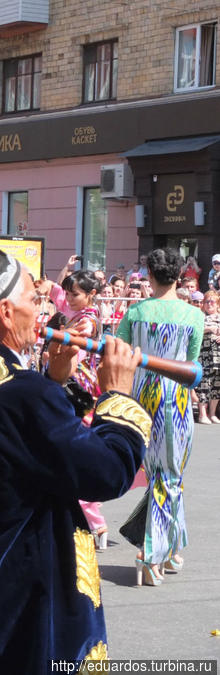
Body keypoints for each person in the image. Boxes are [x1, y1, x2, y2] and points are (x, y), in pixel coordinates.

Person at [0, 243, 149, 672]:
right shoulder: (24, 394)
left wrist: (54, 383)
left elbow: (21, 449)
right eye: (32, 299)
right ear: (6, 312)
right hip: (22, 602)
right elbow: (106, 472)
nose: (40, 309)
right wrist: (116, 395)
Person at [116, 248, 204, 586]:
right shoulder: (193, 315)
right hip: (176, 401)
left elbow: (121, 351)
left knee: (160, 475)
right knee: (170, 476)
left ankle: (168, 549)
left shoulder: (136, 313)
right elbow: (192, 364)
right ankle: (151, 554)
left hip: (142, 398)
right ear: (180, 275)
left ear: (149, 275)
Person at [196, 291, 220, 424]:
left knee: (217, 385)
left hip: (218, 356)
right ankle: (202, 414)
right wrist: (209, 328)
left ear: (217, 304)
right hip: (205, 355)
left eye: (212, 301)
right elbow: (196, 330)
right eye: (207, 301)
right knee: (204, 384)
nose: (209, 304)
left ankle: (212, 413)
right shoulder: (200, 317)